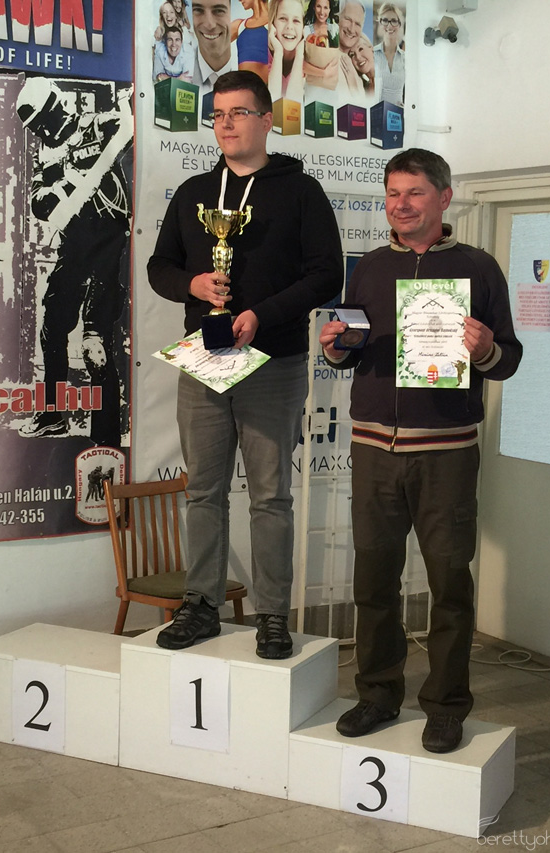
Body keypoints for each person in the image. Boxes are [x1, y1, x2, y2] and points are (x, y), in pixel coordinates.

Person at [319, 148, 522, 753]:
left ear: (444, 198)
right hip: (373, 448)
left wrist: (485, 350)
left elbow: (508, 359)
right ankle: (378, 695)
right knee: (373, 583)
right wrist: (335, 348)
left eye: (414, 193)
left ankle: (446, 706)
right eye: (393, 193)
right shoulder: (369, 268)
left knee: (450, 585)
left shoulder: (479, 268)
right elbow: (352, 348)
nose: (400, 205)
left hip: (446, 454)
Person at [148, 70, 343, 659]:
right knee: (203, 491)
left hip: (273, 361)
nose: (226, 124)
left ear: (265, 120)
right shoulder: (194, 192)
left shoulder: (300, 192)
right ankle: (201, 605)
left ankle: (273, 615)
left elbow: (326, 275)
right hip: (204, 359)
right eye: (218, 114)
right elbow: (160, 268)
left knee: (270, 496)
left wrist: (262, 314)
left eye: (238, 112)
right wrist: (193, 284)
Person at [15, 77, 131, 448]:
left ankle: (106, 437)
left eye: (42, 122)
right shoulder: (46, 154)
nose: (42, 132)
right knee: (52, 328)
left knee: (96, 345)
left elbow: (128, 130)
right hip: (74, 248)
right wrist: (68, 180)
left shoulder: (96, 126)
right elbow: (40, 203)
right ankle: (51, 415)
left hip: (110, 248)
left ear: (56, 107)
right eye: (36, 128)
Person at [191, 0, 238, 93]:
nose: (209, 25)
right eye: (198, 10)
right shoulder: (175, 76)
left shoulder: (255, 72)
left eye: (219, 11)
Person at [268, 0, 306, 102]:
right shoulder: (263, 55)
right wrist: (278, 53)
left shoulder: (310, 59)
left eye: (296, 20)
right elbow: (272, 102)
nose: (289, 26)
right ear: (272, 23)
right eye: (283, 19)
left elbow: (293, 105)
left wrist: (299, 55)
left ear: (303, 27)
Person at [373, 2, 405, 104]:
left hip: (398, 113)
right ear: (380, 23)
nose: (390, 26)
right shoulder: (372, 54)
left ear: (399, 24)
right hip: (376, 111)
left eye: (394, 21)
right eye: (385, 21)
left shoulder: (405, 58)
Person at [232, 0, 270, 83]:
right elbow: (212, 44)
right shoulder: (239, 25)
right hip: (243, 86)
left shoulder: (276, 23)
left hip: (267, 87)